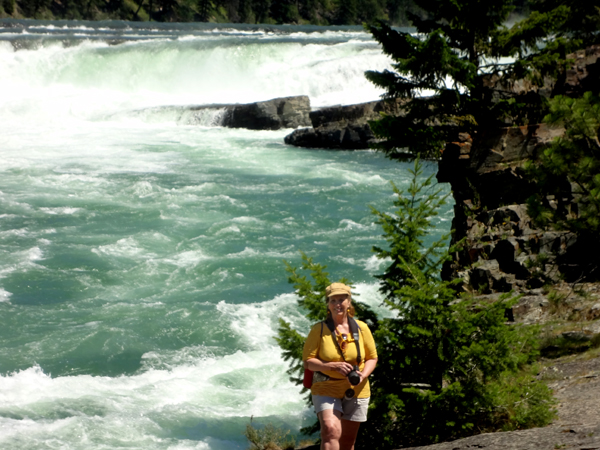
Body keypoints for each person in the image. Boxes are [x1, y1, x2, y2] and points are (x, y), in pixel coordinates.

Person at [302, 282, 378, 450]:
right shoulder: (319, 330)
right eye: (333, 300)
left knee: (347, 441)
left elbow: (372, 358)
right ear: (328, 304)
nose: (338, 304)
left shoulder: (362, 328)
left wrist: (362, 375)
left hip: (357, 388)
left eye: (341, 300)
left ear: (349, 302)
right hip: (326, 386)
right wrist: (333, 366)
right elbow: (308, 362)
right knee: (330, 430)